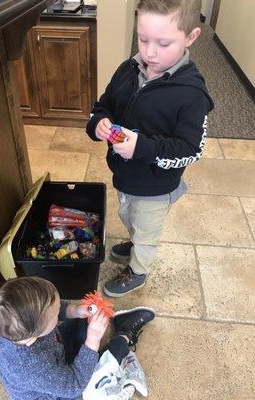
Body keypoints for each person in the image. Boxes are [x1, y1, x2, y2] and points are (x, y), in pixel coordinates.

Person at [86, 0, 214, 297]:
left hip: (156, 187)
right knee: (128, 216)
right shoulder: (128, 69)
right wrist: (99, 123)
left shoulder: (192, 94)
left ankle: (138, 269)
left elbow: (191, 149)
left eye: (163, 43)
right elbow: (103, 105)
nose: (150, 52)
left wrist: (142, 147)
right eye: (143, 39)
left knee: (147, 232)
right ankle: (133, 240)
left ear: (191, 37)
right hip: (125, 176)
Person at [0, 276, 155, 400]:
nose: (60, 308)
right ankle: (124, 335)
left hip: (56, 354)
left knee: (84, 321)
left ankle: (99, 343)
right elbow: (74, 385)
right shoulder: (30, 368)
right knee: (104, 366)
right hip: (60, 392)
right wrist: (93, 339)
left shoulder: (18, 330)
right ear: (35, 335)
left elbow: (52, 309)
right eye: (56, 313)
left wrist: (75, 311)